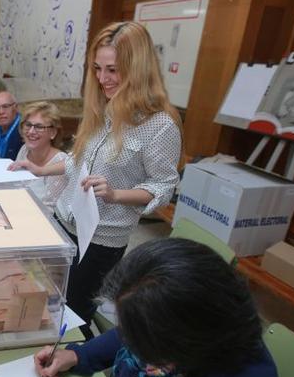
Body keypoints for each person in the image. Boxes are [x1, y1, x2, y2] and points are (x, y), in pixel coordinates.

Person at [0, 238, 283, 377]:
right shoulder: (191, 318)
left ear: (180, 345)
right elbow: (131, 332)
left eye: (140, 340)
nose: (126, 338)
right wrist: (77, 354)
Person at [10, 22, 182, 338]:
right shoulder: (102, 109)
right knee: (51, 301)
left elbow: (163, 187)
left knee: (74, 316)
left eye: (113, 70)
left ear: (138, 68)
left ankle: (73, 362)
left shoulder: (160, 126)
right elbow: (79, 166)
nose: (103, 79)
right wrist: (40, 170)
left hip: (102, 240)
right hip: (66, 223)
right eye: (98, 69)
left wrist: (116, 195)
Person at [13, 101, 68, 212]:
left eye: (39, 127)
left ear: (53, 133)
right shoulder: (24, 150)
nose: (31, 131)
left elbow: (50, 211)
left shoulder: (61, 161)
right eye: (28, 125)